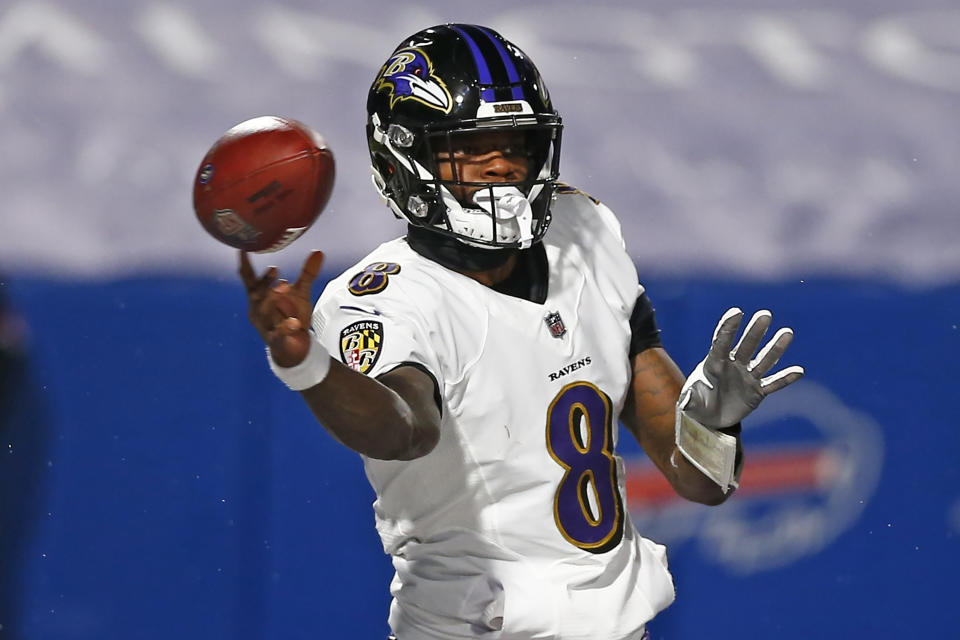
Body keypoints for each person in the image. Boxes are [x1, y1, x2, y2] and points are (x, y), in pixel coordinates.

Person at [239, 24, 804, 640]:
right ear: (406, 159)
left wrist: (712, 428)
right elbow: (403, 429)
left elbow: (700, 480)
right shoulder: (383, 298)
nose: (504, 167)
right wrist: (307, 365)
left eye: (517, 144)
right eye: (473, 148)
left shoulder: (582, 230)